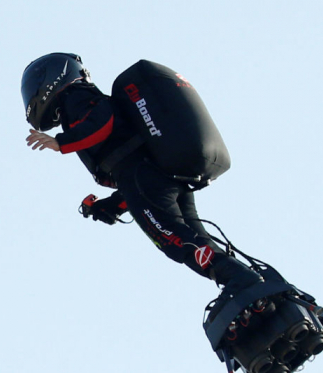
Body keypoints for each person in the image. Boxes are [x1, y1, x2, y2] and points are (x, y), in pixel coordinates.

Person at [21, 53, 262, 295]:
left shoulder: (74, 97)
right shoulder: (77, 99)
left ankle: (242, 283)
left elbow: (104, 122)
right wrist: (113, 205)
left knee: (173, 240)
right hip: (154, 174)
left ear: (52, 79)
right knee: (194, 238)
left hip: (142, 175)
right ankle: (254, 284)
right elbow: (128, 163)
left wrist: (61, 142)